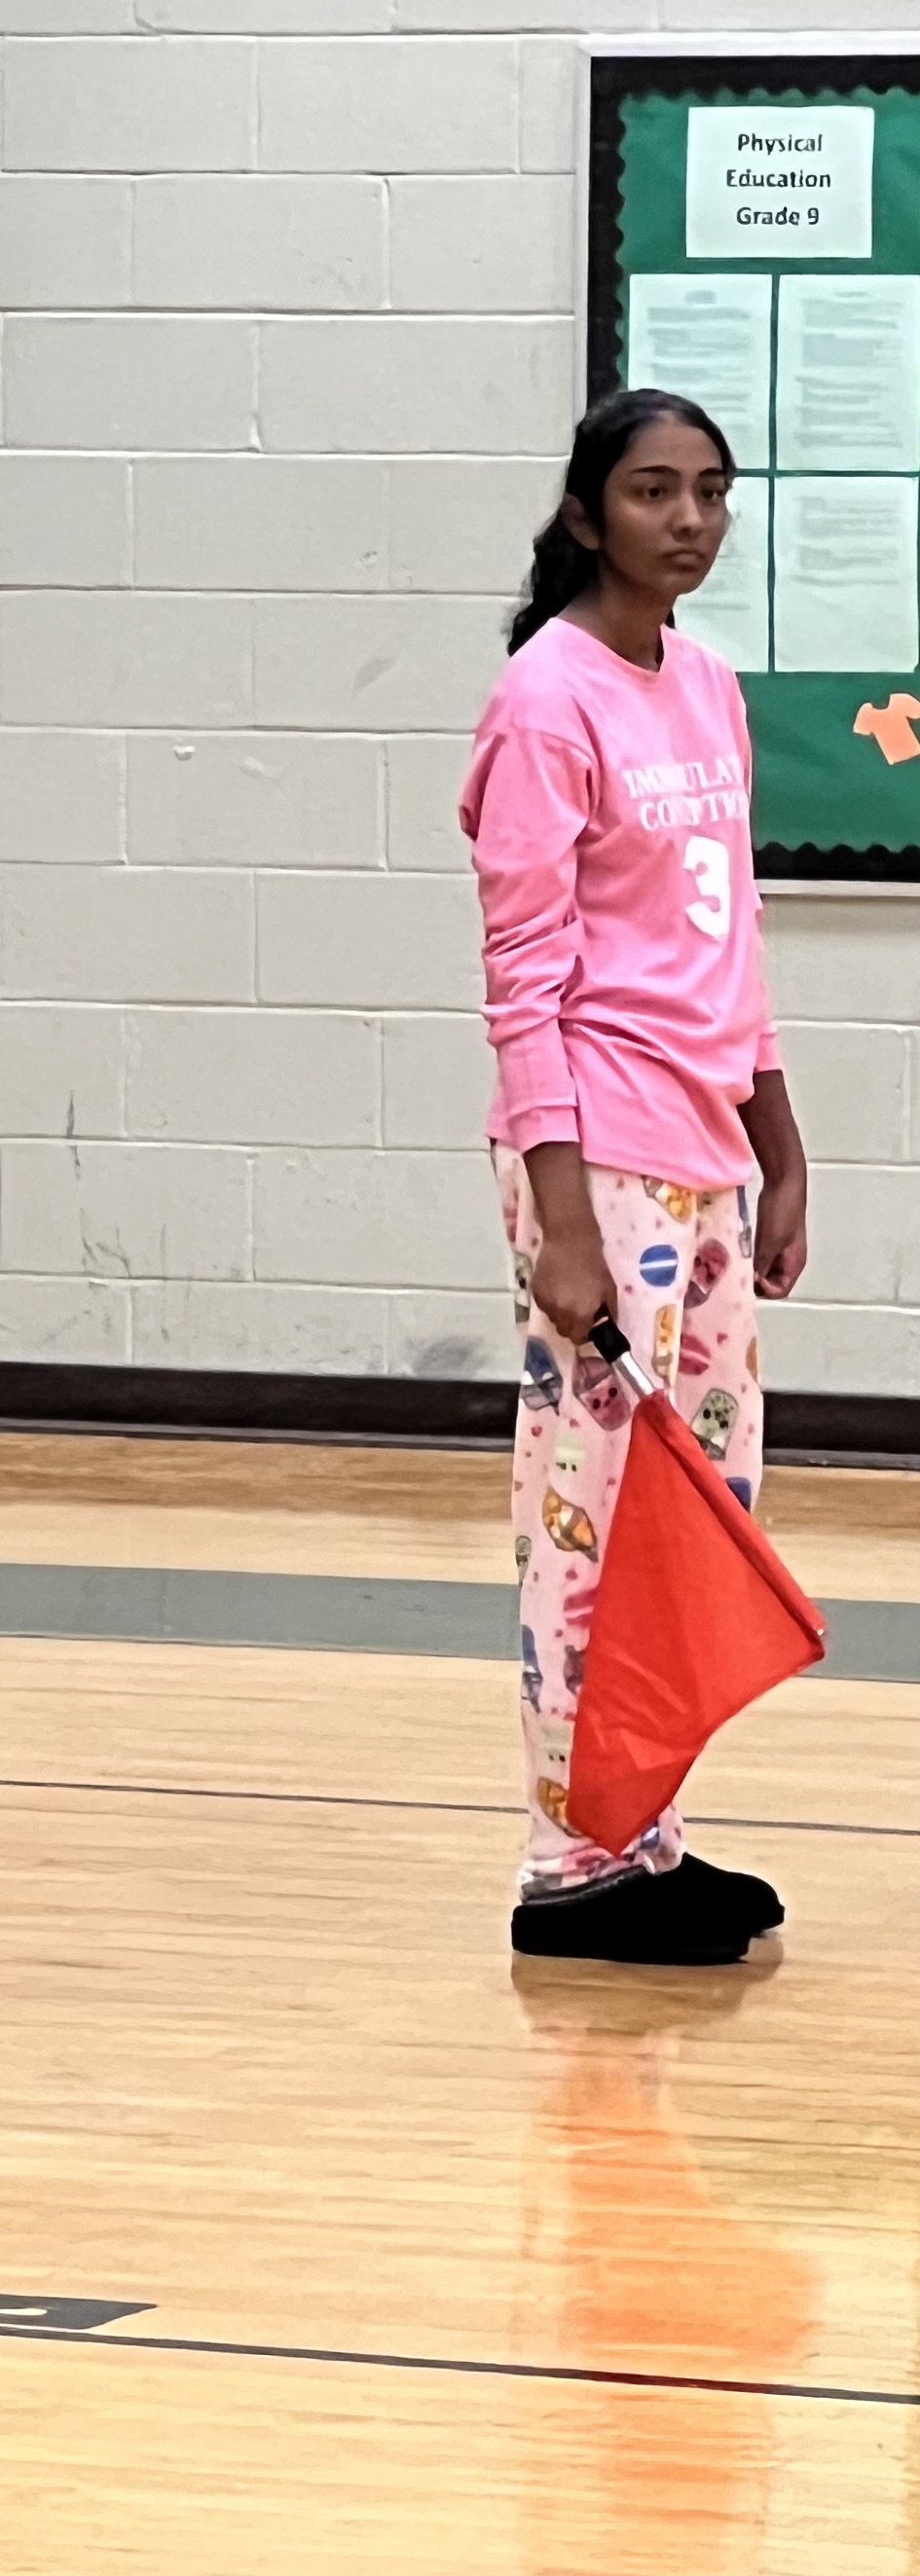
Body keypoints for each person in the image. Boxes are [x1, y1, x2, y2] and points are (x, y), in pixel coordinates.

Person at [460, 387, 806, 1971]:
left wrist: (780, 1143)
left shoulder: (708, 682)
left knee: (697, 1501)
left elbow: (729, 938)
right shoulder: (547, 698)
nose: (690, 519)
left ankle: (641, 1828)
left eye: (711, 491)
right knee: (592, 1507)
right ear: (588, 512)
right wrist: (562, 1220)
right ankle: (571, 1864)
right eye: (655, 490)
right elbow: (523, 974)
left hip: (704, 1147)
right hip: (595, 1156)